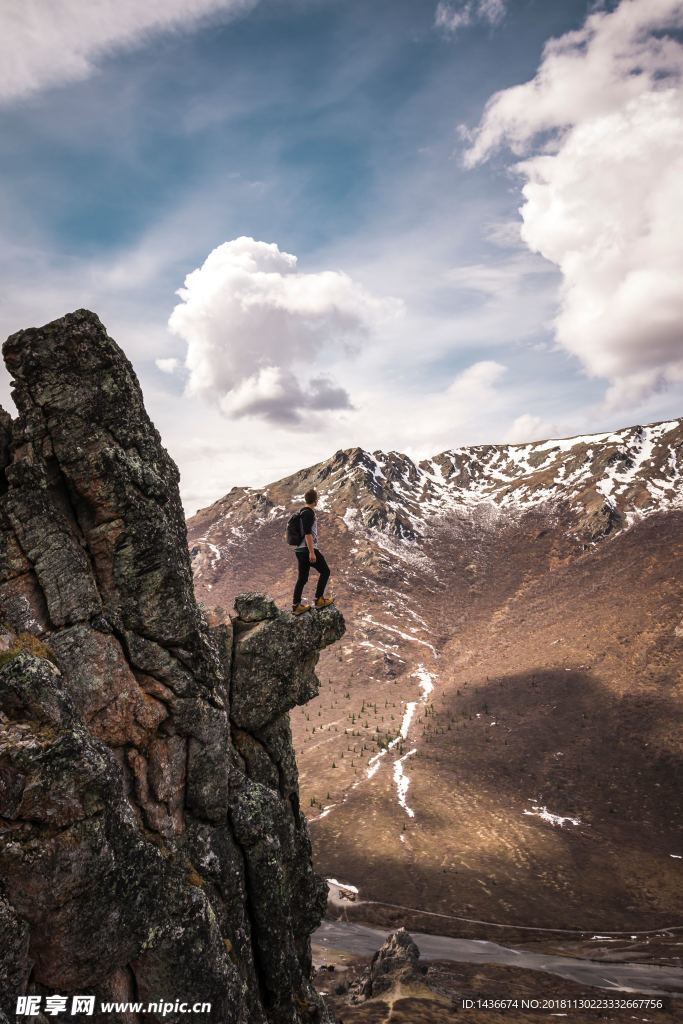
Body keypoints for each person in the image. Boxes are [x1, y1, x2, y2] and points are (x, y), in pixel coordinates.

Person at [292, 488, 334, 615]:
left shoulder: (301, 512)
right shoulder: (308, 513)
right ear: (315, 500)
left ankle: (296, 605)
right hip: (307, 549)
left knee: (302, 578)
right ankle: (318, 599)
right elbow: (308, 533)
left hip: (299, 549)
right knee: (325, 571)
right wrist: (311, 552)